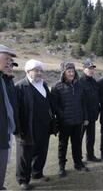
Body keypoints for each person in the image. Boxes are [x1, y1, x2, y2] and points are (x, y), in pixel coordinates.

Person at [15, 59, 56, 190]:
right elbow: (16, 110)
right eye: (36, 70)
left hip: (44, 126)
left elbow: (49, 104)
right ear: (28, 71)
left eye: (40, 70)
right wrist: (19, 128)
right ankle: (23, 180)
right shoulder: (20, 86)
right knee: (25, 155)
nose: (39, 73)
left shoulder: (43, 85)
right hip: (27, 127)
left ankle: (37, 173)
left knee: (41, 152)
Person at [51, 62, 89, 178]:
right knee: (63, 145)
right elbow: (54, 105)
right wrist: (62, 115)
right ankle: (61, 166)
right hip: (65, 122)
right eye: (69, 71)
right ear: (64, 73)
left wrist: (85, 117)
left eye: (73, 71)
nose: (71, 73)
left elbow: (83, 103)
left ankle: (78, 163)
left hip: (78, 121)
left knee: (77, 144)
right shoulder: (57, 87)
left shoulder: (79, 85)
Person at [0, 45, 16, 190]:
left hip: (5, 132)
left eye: (10, 61)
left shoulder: (5, 81)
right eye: (6, 59)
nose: (8, 63)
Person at [79, 59, 100, 162]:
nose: (91, 70)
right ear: (84, 69)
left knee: (91, 138)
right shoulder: (79, 82)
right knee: (79, 139)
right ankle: (78, 159)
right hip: (83, 117)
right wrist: (84, 117)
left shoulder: (94, 81)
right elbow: (80, 102)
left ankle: (90, 156)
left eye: (92, 68)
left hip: (93, 115)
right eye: (89, 68)